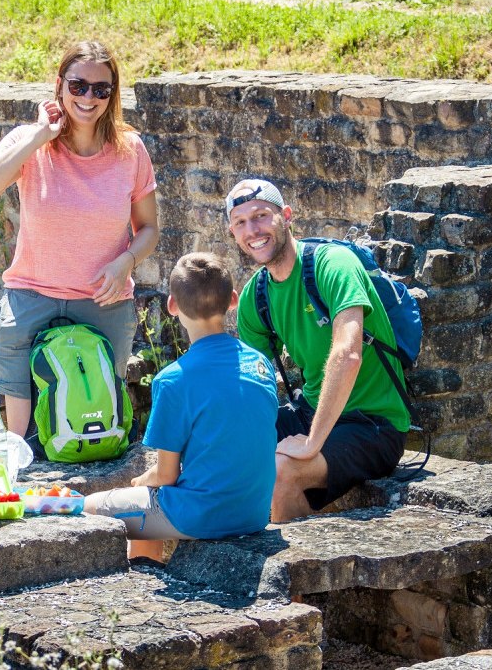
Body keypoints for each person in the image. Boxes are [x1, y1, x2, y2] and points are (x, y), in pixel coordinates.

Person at [0, 40, 159, 438]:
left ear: (112, 93)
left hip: (102, 299)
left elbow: (148, 230)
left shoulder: (130, 150)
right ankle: (20, 474)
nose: (88, 97)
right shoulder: (31, 141)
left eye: (100, 89)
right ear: (60, 85)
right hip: (31, 294)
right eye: (78, 85)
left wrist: (126, 262)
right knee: (21, 435)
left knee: (97, 420)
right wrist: (40, 135)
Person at [228, 179, 410, 522]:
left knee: (283, 468)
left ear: (286, 216)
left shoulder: (333, 265)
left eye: (261, 216)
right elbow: (248, 382)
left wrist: (311, 443)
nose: (253, 230)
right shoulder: (256, 297)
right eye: (241, 222)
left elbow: (348, 354)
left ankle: (284, 572)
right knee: (216, 450)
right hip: (309, 410)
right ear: (233, 233)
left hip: (374, 424)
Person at [85, 253, 278, 561]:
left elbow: (166, 476)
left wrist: (142, 480)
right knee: (148, 504)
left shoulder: (173, 380)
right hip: (253, 512)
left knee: (90, 507)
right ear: (233, 299)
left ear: (172, 305)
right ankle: (149, 574)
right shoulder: (261, 365)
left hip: (203, 515)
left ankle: (141, 584)